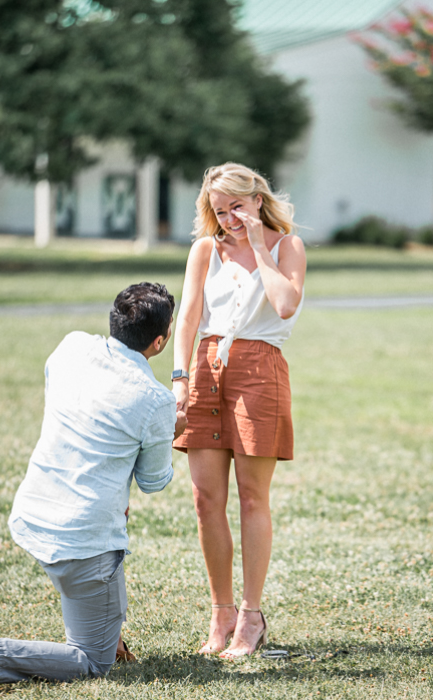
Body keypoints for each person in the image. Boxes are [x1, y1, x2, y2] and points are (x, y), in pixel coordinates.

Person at [0, 283, 187, 684]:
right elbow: (153, 482)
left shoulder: (71, 346)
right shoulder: (156, 401)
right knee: (91, 661)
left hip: (33, 516)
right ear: (161, 340)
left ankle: (108, 629)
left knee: (102, 597)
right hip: (81, 542)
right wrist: (170, 430)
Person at [172, 162, 306, 659]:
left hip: (260, 368)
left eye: (237, 207)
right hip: (206, 369)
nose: (228, 218)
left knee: (253, 497)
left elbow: (286, 304)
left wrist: (259, 246)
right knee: (206, 500)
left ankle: (252, 616)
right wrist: (180, 377)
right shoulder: (205, 249)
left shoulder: (287, 246)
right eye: (219, 209)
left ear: (257, 199)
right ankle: (220, 612)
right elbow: (187, 317)